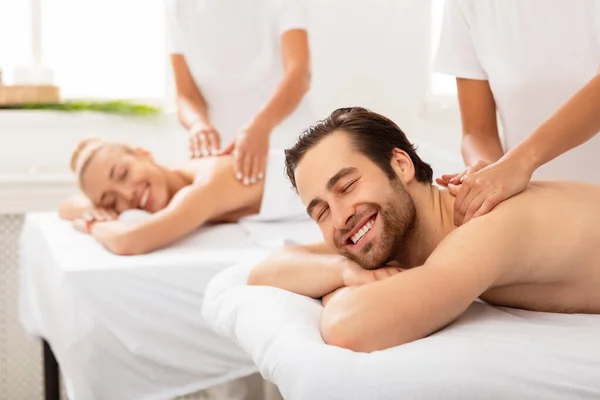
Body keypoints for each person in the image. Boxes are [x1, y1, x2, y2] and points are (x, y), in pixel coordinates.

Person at [247, 107, 600, 353]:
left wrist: (337, 289)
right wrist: (344, 270)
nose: (339, 219)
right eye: (321, 211)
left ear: (400, 165)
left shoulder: (485, 225)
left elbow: (347, 326)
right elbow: (265, 270)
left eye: (347, 186)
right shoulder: (402, 231)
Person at [433, 0, 600, 226]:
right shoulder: (469, 5)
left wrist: (519, 163)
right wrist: (484, 172)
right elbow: (478, 131)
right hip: (532, 219)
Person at [59, 137, 304, 255]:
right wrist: (92, 207)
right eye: (112, 201)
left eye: (123, 174)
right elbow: (66, 207)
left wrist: (90, 224)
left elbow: (129, 241)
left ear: (143, 153)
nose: (127, 195)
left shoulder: (210, 179)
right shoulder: (183, 179)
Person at [166, 0, 315, 187]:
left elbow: (299, 73)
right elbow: (185, 94)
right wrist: (197, 124)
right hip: (224, 161)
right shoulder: (178, 7)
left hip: (289, 151)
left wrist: (261, 126)